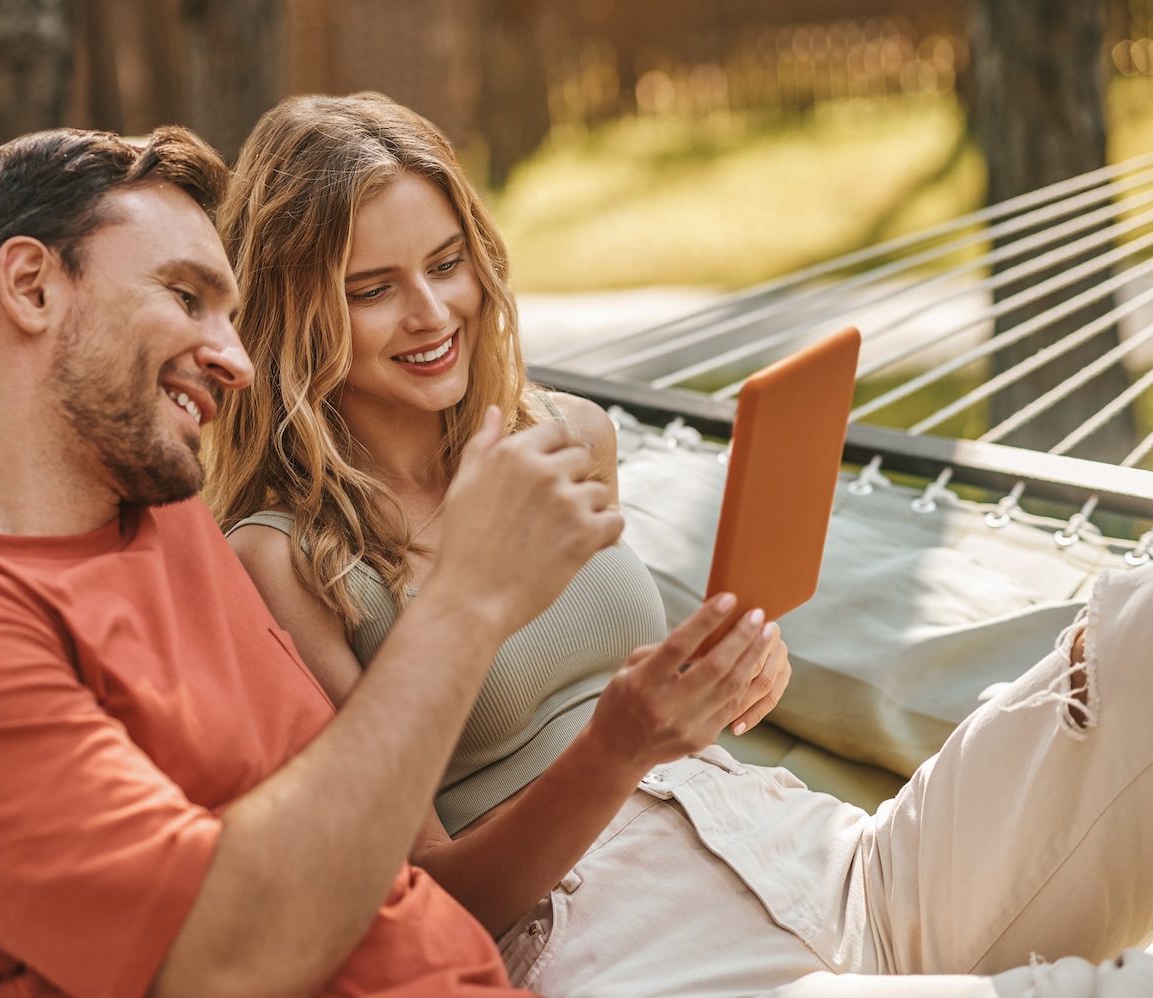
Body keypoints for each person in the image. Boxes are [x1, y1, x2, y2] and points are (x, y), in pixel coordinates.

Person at [0, 125, 769, 998]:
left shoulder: (169, 533)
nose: (237, 357)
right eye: (186, 296)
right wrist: (469, 595)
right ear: (32, 285)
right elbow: (230, 958)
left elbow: (389, 860)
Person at [204, 92, 1153, 998]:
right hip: (621, 945)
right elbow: (421, 914)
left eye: (447, 264)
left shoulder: (568, 436)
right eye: (373, 290)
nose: (431, 313)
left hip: (818, 862)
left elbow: (619, 669)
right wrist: (617, 749)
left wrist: (722, 670)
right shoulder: (285, 561)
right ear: (296, 318)